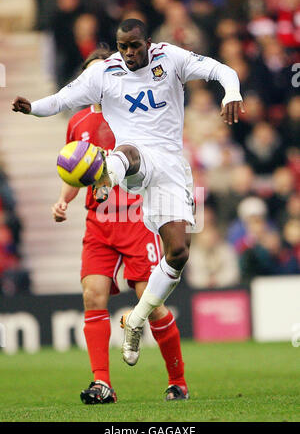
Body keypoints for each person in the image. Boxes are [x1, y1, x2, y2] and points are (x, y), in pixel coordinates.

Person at [12, 18, 244, 370]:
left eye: (135, 46)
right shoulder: (105, 73)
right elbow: (61, 99)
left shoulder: (171, 58)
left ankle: (136, 320)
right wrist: (32, 108)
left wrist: (233, 92)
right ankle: (105, 175)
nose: (130, 53)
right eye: (123, 47)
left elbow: (219, 69)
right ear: (117, 47)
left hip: (170, 166)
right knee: (129, 153)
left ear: (148, 42)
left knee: (179, 253)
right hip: (133, 159)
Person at [51, 47, 189, 403]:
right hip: (98, 222)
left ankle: (178, 381)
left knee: (149, 300)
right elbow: (76, 170)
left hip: (135, 218)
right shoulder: (78, 123)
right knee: (91, 294)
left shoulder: (134, 114)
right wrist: (65, 199)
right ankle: (102, 384)